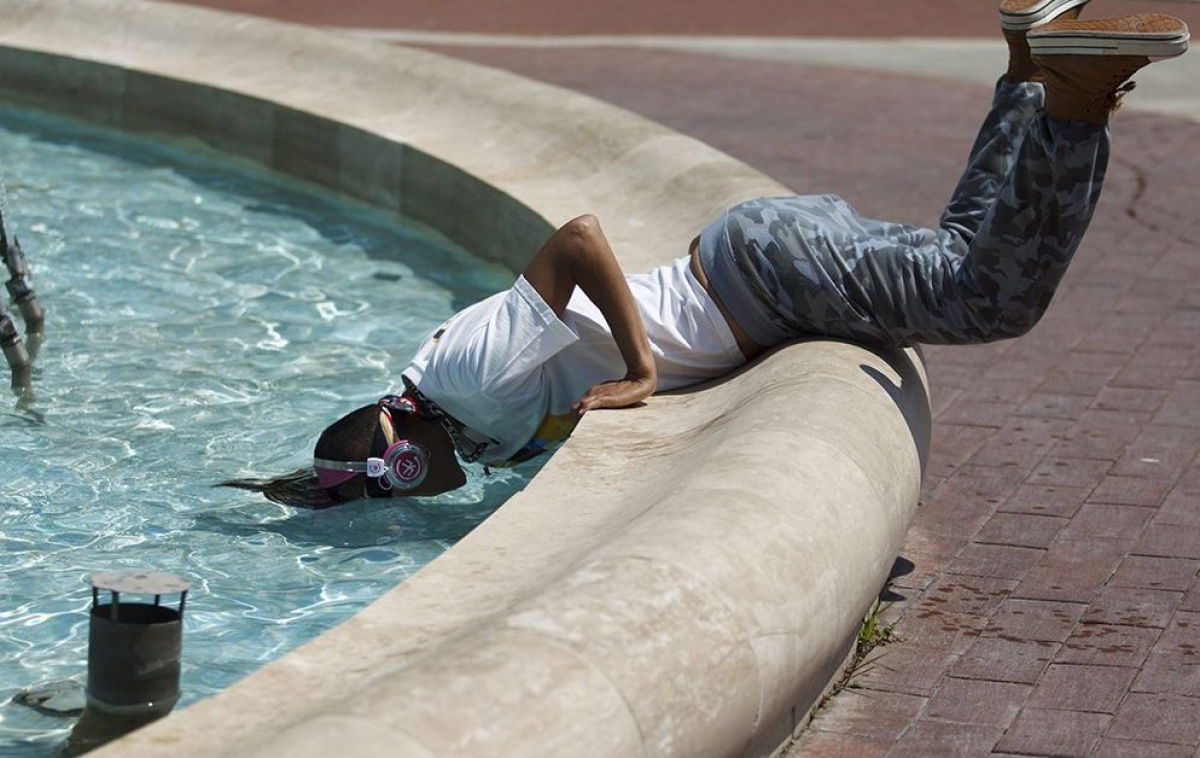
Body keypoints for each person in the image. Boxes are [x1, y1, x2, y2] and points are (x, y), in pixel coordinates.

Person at [225, 2, 1189, 508]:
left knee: (991, 300)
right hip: (756, 271)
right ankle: (1032, 66)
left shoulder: (467, 381)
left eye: (394, 494)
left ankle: (1077, 92)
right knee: (964, 258)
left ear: (397, 459)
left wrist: (644, 369)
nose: (413, 502)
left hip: (763, 276)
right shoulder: (456, 409)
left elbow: (577, 238)